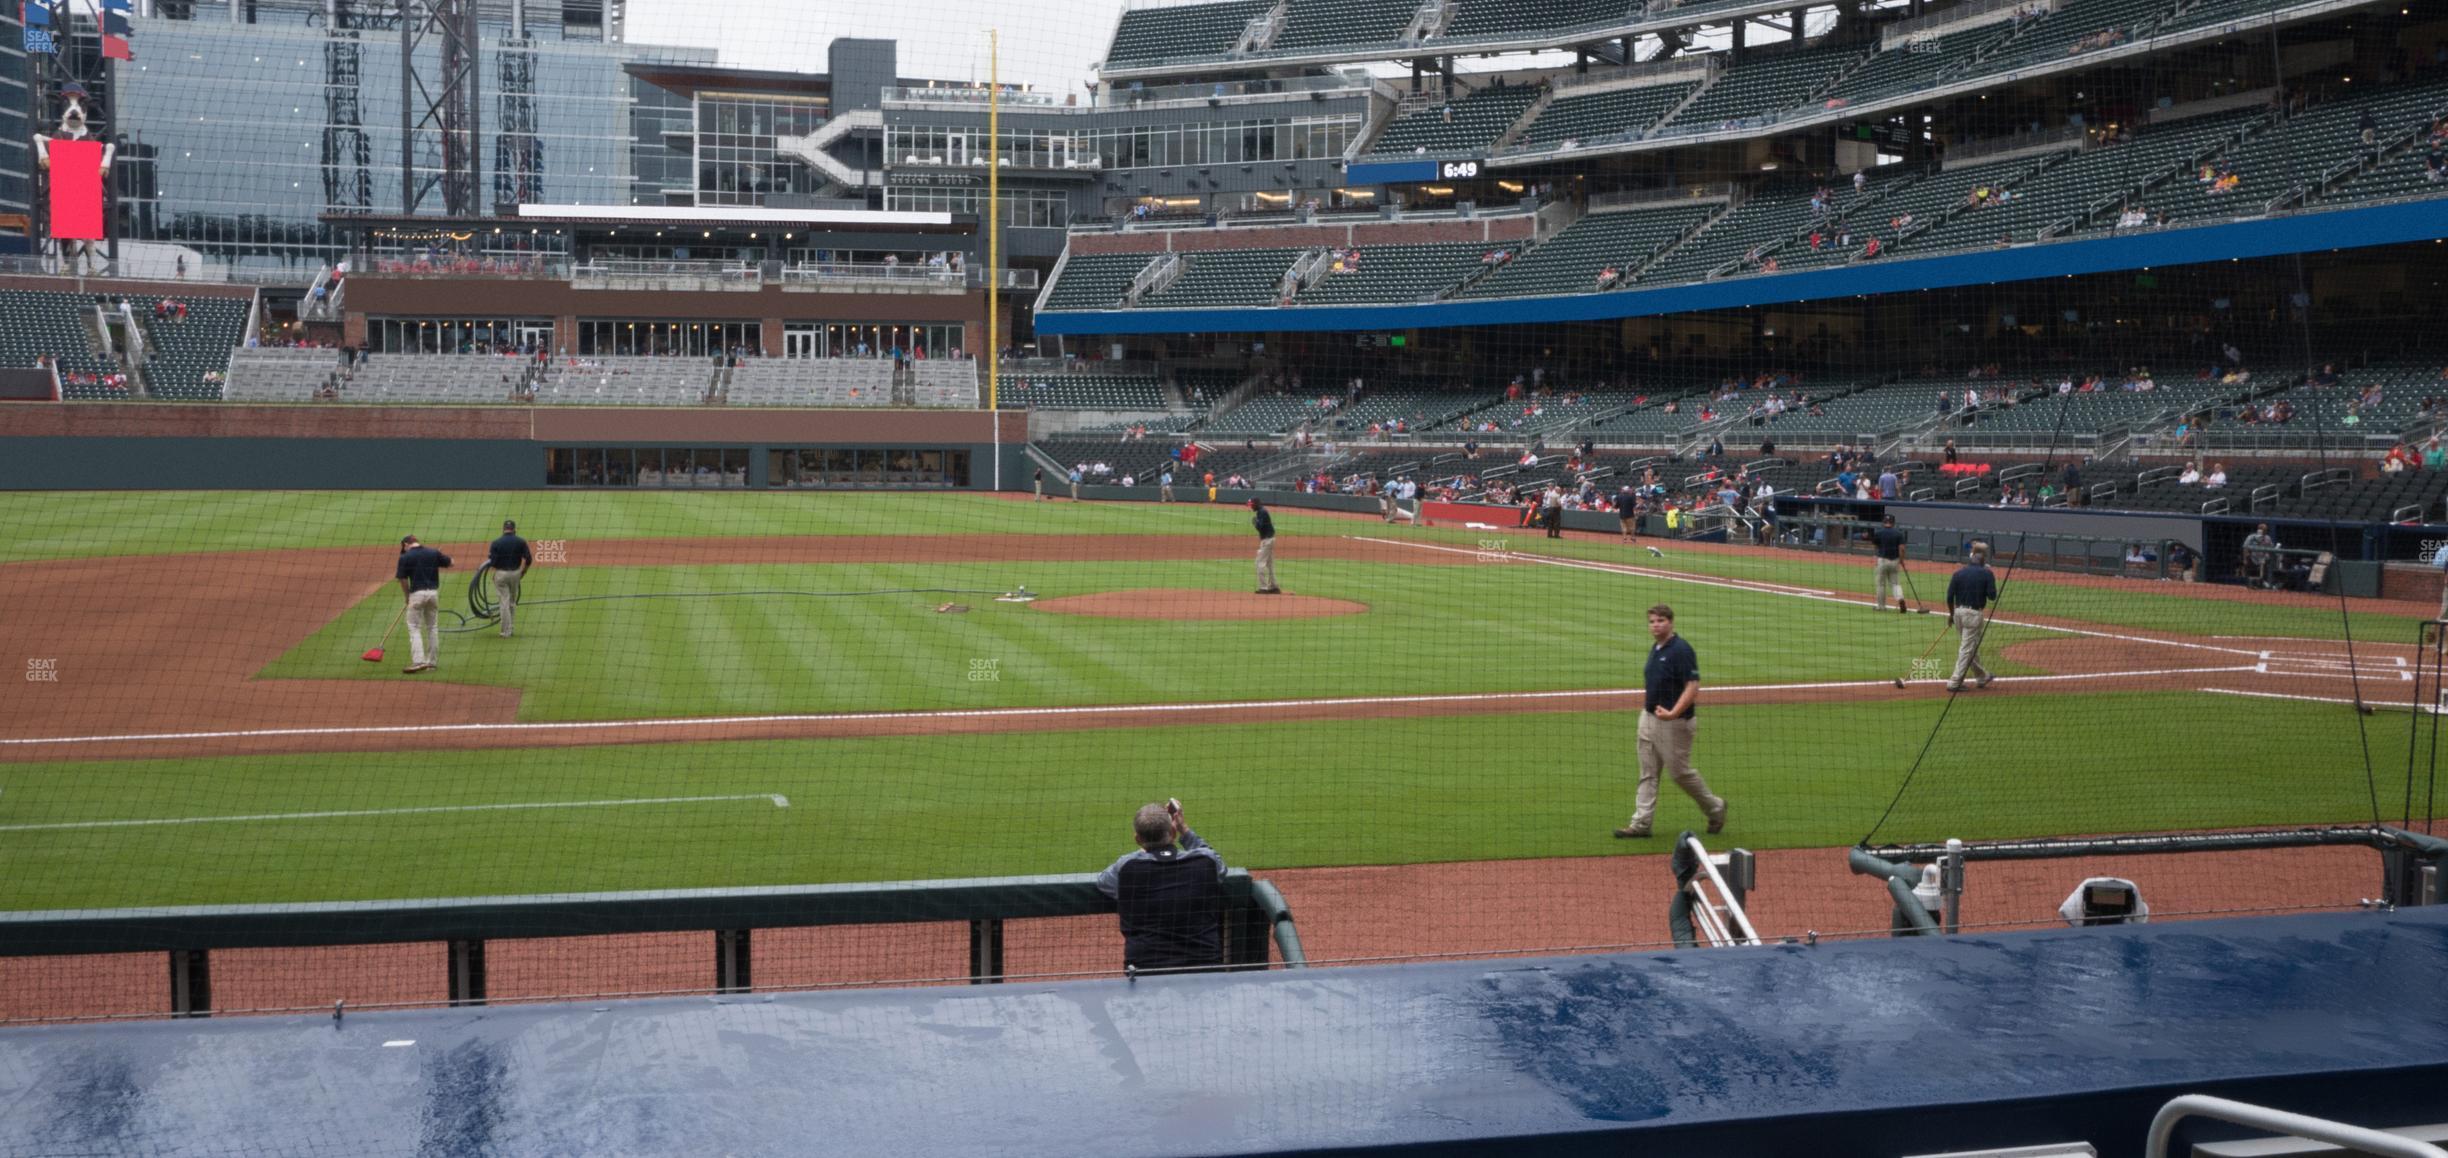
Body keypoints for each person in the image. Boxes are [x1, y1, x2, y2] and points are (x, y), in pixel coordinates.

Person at [1615, 604, 1726, 839]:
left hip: (1674, 724)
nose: (1656, 625)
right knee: (1648, 772)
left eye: (1661, 621)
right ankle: (1641, 824)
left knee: (1679, 773)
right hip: (1648, 718)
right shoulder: (1656, 648)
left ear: (1671, 622)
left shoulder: (1681, 650)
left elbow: (1693, 685)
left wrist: (1674, 712)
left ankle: (1715, 808)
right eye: (1652, 621)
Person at [1093, 799, 1228, 974]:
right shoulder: (1205, 861)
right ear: (1173, 832)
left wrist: (1145, 848)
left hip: (1146, 972)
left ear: (1137, 839)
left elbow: (1103, 882)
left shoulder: (1126, 867)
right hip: (1204, 968)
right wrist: (1184, 829)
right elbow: (1219, 864)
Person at [395, 534, 454, 674]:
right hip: (433, 594)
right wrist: (439, 557)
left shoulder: (405, 557)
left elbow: (402, 579)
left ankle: (418, 662)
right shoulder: (433, 552)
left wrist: (407, 596)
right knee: (432, 627)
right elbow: (451, 563)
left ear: (406, 544)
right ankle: (432, 663)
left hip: (416, 595)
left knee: (414, 627)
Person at [1945, 541, 1999, 692]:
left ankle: (1982, 677)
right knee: (1967, 648)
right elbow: (1992, 596)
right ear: (1983, 559)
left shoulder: (1958, 573)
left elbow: (1949, 597)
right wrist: (1989, 579)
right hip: (1973, 615)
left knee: (1971, 647)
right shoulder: (1987, 573)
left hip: (1958, 614)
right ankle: (1954, 682)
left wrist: (1951, 615)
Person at [487, 520, 534, 639]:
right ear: (514, 529)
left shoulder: (496, 543)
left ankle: (505, 631)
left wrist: (496, 574)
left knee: (504, 602)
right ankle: (510, 628)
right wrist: (523, 571)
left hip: (501, 574)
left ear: (503, 529)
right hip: (515, 574)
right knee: (512, 602)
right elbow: (528, 559)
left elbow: (492, 563)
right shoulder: (521, 542)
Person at [1872, 515, 1908, 612]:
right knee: (1895, 584)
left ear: (1884, 522)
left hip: (1882, 560)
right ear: (1893, 523)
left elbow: (1875, 546)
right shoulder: (1899, 534)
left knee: (1881, 584)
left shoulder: (1878, 533)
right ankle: (1900, 598)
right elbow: (1902, 549)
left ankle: (1881, 606)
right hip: (1895, 561)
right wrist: (1902, 560)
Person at [1249, 497, 1281, 594]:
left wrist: (1255, 523)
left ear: (1256, 504)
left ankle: (1263, 587)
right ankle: (1274, 587)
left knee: (1259, 563)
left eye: (1251, 505)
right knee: (1270, 564)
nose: (1250, 507)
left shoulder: (1262, 512)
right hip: (1269, 539)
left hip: (1267, 541)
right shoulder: (1261, 511)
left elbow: (1260, 527)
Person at [2243, 524, 2277, 588]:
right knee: (2251, 573)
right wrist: (2245, 559)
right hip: (2252, 558)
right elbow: (2245, 547)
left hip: (2263, 558)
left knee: (2262, 574)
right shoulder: (2251, 537)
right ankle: (2250, 585)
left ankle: (2261, 585)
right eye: (2263, 529)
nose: (2264, 531)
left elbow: (2271, 548)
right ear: (2259, 529)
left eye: (2265, 530)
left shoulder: (2268, 538)